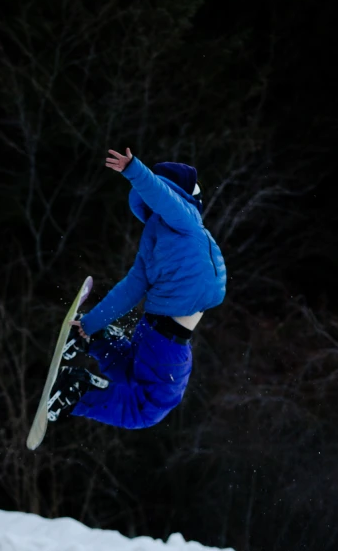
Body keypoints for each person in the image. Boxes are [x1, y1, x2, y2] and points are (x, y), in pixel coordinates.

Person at [47, 147, 226, 429]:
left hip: (155, 335)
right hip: (167, 344)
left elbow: (130, 290)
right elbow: (163, 196)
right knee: (146, 408)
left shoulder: (166, 233)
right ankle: (78, 392)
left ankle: (96, 341)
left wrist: (92, 323)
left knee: (133, 373)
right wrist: (134, 170)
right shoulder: (186, 220)